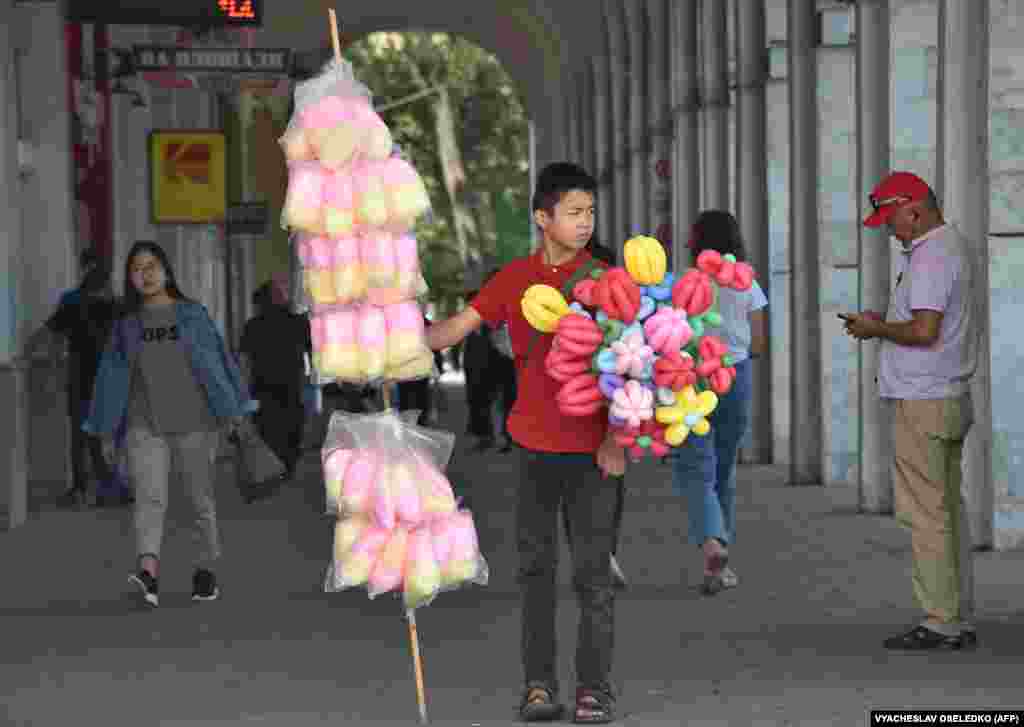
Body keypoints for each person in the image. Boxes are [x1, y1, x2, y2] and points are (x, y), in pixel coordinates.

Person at [426, 162, 625, 724]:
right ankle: (538, 686)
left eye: (590, 212)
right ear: (543, 217)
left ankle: (594, 690)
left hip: (593, 451)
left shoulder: (609, 280)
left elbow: (634, 369)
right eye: (574, 212)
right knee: (535, 574)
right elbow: (454, 330)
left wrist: (617, 439)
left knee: (592, 576)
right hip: (533, 446)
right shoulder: (514, 279)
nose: (585, 222)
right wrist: (390, 336)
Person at [842, 171, 977, 651]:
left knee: (926, 513)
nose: (889, 229)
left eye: (891, 219)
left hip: (924, 398)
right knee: (945, 509)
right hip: (945, 396)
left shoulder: (932, 256)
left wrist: (875, 329)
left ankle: (940, 620)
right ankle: (956, 613)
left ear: (914, 209)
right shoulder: (949, 248)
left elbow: (923, 331)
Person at [83, 241, 257, 609]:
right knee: (149, 498)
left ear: (166, 270)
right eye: (136, 269)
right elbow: (110, 377)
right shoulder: (126, 326)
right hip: (143, 424)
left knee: (199, 500)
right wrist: (104, 429)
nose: (144, 274)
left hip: (195, 422)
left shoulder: (193, 315)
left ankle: (204, 570)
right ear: (129, 279)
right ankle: (148, 572)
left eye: (151, 266)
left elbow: (218, 364)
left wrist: (234, 412)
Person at [669, 212, 768, 595]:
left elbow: (667, 337)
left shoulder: (682, 283)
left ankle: (712, 541)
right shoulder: (748, 284)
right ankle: (720, 565)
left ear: (696, 241)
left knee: (696, 467)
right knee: (723, 470)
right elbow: (758, 344)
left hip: (691, 378)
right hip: (735, 376)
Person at [28, 248, 121, 508]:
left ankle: (84, 488)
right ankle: (103, 487)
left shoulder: (73, 302)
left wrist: (26, 354)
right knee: (100, 433)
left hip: (81, 377)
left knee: (82, 434)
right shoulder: (114, 306)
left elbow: (46, 334)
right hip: (105, 379)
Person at [240, 280, 312, 482]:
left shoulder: (252, 326)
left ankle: (275, 467)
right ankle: (286, 466)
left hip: (262, 387)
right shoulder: (297, 323)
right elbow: (312, 351)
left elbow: (244, 362)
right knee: (290, 427)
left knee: (268, 427)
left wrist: (243, 390)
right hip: (290, 386)